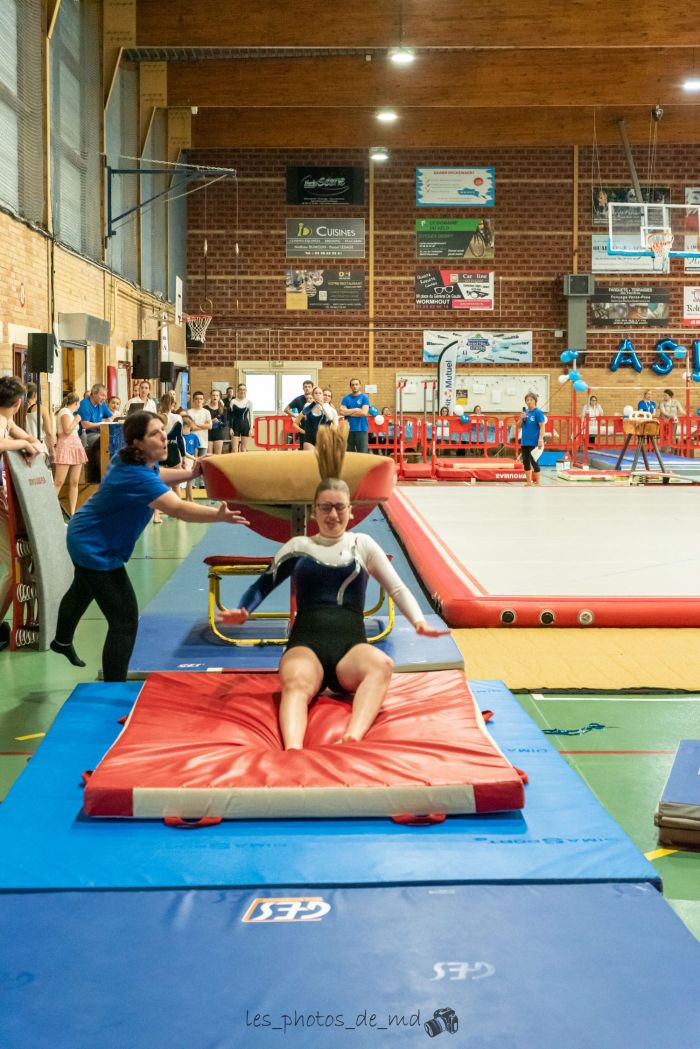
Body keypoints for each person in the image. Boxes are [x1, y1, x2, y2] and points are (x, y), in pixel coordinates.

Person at [219, 426, 446, 749]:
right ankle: (293, 750)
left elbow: (396, 588)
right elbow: (262, 585)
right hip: (305, 647)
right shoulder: (298, 546)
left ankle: (353, 735)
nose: (333, 514)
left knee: (382, 665)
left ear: (351, 511)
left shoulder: (363, 545)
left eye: (340, 507)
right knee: (295, 683)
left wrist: (419, 622)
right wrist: (244, 610)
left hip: (350, 653)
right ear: (314, 511)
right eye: (325, 507)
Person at [51, 411, 248, 681]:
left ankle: (61, 641)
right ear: (137, 442)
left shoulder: (137, 461)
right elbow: (178, 509)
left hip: (87, 535)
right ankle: (113, 687)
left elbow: (160, 475)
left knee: (83, 588)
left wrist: (190, 473)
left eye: (163, 431)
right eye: (155, 433)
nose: (164, 437)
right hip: (93, 545)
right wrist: (217, 515)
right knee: (125, 620)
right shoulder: (135, 475)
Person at [53, 392, 87, 516]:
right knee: (59, 481)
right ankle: (48, 510)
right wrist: (77, 420)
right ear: (77, 403)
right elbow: (67, 430)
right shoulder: (65, 412)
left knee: (74, 481)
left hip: (75, 446)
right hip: (66, 446)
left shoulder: (69, 413)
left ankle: (73, 512)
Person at [0, 376, 44, 462]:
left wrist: (34, 444)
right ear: (18, 402)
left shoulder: (8, 421)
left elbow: (27, 437)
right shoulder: (2, 419)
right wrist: (24, 444)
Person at [519, 392, 546, 486]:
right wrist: (521, 418)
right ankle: (529, 482)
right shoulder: (525, 412)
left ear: (535, 401)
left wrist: (540, 440)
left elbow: (542, 426)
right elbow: (518, 425)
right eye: (527, 400)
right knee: (526, 462)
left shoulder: (538, 412)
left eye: (531, 400)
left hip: (534, 442)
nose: (529, 402)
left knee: (534, 461)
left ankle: (538, 482)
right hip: (525, 442)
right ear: (525, 402)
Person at [20, 382, 54, 457]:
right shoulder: (42, 409)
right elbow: (49, 432)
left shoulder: (19, 409)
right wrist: (52, 450)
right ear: (35, 394)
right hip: (39, 445)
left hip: (24, 446)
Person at [339, 377, 370, 453]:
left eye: (356, 384)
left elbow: (364, 412)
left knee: (362, 453)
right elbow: (342, 412)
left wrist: (348, 412)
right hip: (348, 429)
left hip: (361, 429)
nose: (354, 386)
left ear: (360, 386)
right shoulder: (346, 398)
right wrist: (356, 409)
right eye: (353, 385)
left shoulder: (364, 397)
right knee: (349, 453)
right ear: (350, 386)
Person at [187, 391, 212, 484]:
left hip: (203, 441)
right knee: (192, 462)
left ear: (203, 400)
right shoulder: (189, 412)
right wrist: (203, 425)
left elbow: (210, 426)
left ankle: (202, 482)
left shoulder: (206, 412)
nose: (199, 401)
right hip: (191, 441)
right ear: (193, 400)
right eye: (197, 399)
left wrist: (196, 424)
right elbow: (191, 428)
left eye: (201, 399)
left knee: (202, 462)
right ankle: (192, 483)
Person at [300, 386, 335, 450]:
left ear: (322, 395)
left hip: (322, 438)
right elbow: (303, 413)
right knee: (311, 458)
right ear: (313, 395)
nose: (318, 395)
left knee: (321, 459)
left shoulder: (327, 406)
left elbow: (330, 417)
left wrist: (322, 405)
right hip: (309, 438)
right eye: (316, 393)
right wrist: (314, 403)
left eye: (320, 393)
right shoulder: (308, 405)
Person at [284, 380, 314, 448]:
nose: (307, 388)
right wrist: (297, 416)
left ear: (312, 388)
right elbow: (286, 409)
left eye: (309, 387)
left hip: (315, 427)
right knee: (303, 448)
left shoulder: (316, 397)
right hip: (303, 428)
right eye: (305, 387)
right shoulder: (298, 399)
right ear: (303, 388)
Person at [228, 383, 254, 452]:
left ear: (246, 391)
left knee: (243, 448)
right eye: (240, 389)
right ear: (237, 391)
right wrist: (230, 428)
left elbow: (251, 416)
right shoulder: (233, 401)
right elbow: (230, 416)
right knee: (234, 449)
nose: (242, 391)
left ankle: (244, 462)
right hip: (235, 426)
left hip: (245, 426)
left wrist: (251, 429)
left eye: (244, 390)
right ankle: (234, 462)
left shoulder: (249, 402)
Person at [205, 389, 226, 455]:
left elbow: (225, 424)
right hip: (208, 433)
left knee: (218, 456)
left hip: (219, 433)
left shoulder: (223, 408)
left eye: (217, 395)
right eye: (213, 395)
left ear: (219, 397)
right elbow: (203, 422)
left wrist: (219, 422)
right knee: (209, 456)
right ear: (210, 396)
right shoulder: (205, 408)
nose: (215, 397)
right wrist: (211, 421)